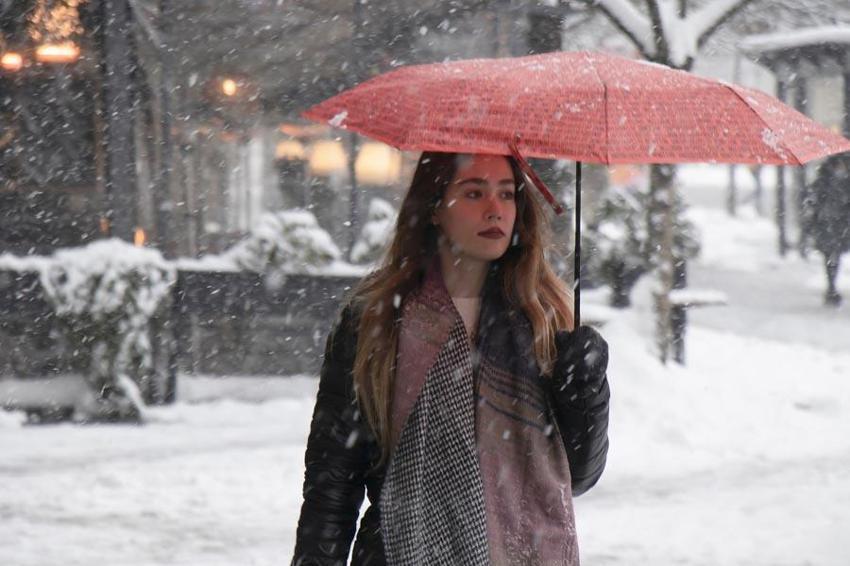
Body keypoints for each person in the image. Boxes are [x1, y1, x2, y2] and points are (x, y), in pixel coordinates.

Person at [292, 152, 610, 566]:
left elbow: (578, 476)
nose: (495, 209)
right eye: (474, 192)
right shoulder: (377, 320)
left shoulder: (543, 323)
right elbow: (332, 483)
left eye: (507, 194)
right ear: (435, 208)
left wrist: (586, 388)